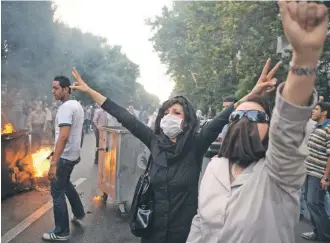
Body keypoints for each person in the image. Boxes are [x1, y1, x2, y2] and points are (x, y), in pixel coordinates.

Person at [70, 56, 276, 242]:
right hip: (152, 232)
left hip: (184, 235)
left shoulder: (197, 144)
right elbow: (124, 116)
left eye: (176, 112)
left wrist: (253, 93)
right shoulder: (154, 140)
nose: (169, 116)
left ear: (186, 121)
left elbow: (224, 115)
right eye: (166, 112)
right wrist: (90, 91)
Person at [186, 2, 329, 243]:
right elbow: (200, 222)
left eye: (255, 117)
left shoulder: (278, 174)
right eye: (237, 117)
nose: (244, 121)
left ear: (270, 126)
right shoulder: (214, 168)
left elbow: (289, 126)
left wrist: (304, 59)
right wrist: (249, 96)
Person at [42, 76, 85, 241]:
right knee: (66, 183)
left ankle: (61, 232)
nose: (53, 91)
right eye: (52, 88)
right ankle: (79, 212)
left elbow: (64, 136)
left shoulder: (66, 108)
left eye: (56, 88)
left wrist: (54, 163)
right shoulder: (77, 105)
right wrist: (78, 152)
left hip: (65, 157)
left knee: (57, 191)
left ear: (66, 89)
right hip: (71, 155)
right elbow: (78, 132)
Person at [301, 101, 330, 241]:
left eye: (316, 109)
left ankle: (325, 237)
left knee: (315, 204)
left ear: (324, 112)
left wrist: (326, 177)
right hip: (309, 172)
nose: (313, 111)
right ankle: (317, 232)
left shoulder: (328, 128)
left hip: (318, 175)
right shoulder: (318, 127)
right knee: (309, 202)